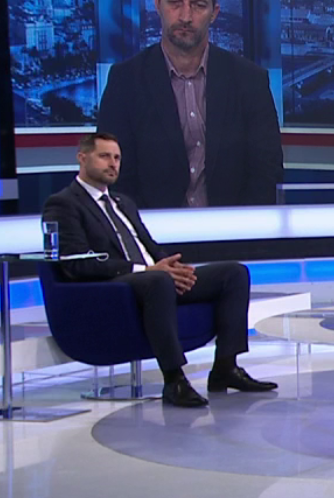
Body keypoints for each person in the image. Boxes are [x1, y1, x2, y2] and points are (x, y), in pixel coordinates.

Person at [42, 133, 278, 408]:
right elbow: (76, 263)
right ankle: (174, 380)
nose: (113, 164)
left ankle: (226, 367)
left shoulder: (122, 202)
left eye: (117, 158)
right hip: (115, 286)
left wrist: (173, 268)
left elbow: (148, 246)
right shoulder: (63, 204)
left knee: (233, 274)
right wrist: (148, 270)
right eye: (104, 156)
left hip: (153, 277)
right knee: (158, 281)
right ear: (82, 158)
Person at [97, 0, 283, 209]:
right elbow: (114, 177)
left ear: (214, 13)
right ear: (157, 4)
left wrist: (239, 229)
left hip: (231, 228)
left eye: (198, 5)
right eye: (175, 3)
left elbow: (266, 174)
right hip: (151, 230)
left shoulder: (250, 81)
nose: (185, 16)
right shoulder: (125, 81)